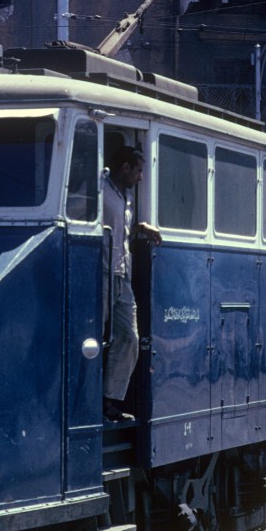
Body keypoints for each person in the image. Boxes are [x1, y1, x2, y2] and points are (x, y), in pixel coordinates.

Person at [102, 141, 162, 422]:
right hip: (100, 274)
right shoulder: (100, 191)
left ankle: (109, 400)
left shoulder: (124, 196)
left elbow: (120, 231)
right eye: (138, 171)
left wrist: (140, 226)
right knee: (95, 338)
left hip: (121, 275)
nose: (140, 178)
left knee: (129, 337)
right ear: (124, 168)